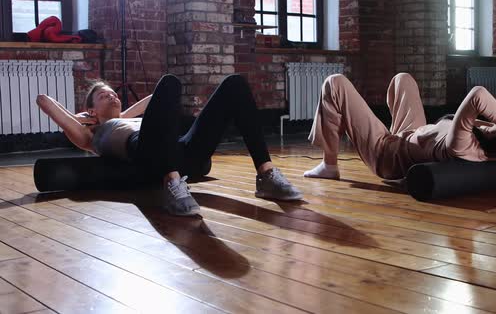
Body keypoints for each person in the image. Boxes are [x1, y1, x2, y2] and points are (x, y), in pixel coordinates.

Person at [37, 74, 303, 216]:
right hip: (145, 155)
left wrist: (122, 112)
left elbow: (156, 97)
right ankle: (173, 185)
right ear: (92, 111)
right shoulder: (91, 136)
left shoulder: (128, 119)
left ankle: (266, 174)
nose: (111, 94)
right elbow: (44, 101)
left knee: (231, 84)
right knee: (169, 84)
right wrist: (81, 118)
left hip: (179, 150)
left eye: (113, 92)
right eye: (102, 95)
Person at [303, 73, 496, 181]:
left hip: (388, 154)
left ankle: (329, 165)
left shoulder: (465, 143)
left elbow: (478, 94)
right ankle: (388, 129)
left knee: (334, 83)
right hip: (413, 135)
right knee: (402, 80)